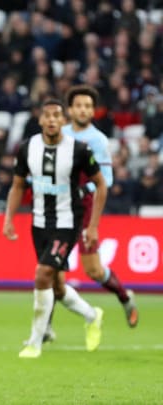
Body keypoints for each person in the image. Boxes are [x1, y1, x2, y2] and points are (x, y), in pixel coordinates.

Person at [3, 99, 106, 359]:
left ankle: (35, 342)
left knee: (42, 274)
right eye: (46, 115)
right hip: (39, 224)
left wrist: (93, 226)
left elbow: (101, 184)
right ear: (40, 120)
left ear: (64, 120)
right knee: (57, 287)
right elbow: (17, 186)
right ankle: (93, 315)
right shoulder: (27, 148)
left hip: (68, 223)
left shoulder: (79, 150)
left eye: (56, 115)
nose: (51, 120)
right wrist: (8, 218)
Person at [61, 85, 138, 328]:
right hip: (58, 209)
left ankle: (125, 297)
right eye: (78, 105)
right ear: (70, 110)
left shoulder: (98, 140)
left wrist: (84, 190)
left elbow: (108, 179)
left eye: (87, 106)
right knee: (49, 272)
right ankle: (46, 328)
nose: (83, 110)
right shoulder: (58, 134)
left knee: (93, 271)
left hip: (83, 211)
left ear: (93, 111)